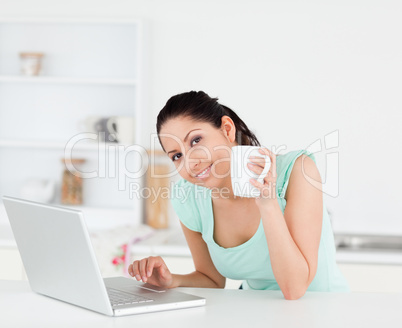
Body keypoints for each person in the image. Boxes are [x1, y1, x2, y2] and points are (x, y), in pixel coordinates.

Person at [128, 91, 350, 300]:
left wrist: (268, 204)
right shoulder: (188, 198)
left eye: (196, 140)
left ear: (227, 129)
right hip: (254, 311)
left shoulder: (297, 170)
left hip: (321, 309)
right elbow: (211, 279)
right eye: (176, 155)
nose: (191, 163)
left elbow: (294, 288)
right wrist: (170, 280)